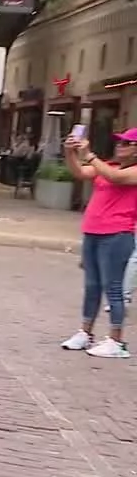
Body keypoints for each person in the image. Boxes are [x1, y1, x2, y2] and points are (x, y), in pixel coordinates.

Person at [61, 128, 137, 359]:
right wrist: (70, 153)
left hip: (117, 234)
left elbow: (117, 179)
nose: (120, 145)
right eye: (119, 141)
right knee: (92, 286)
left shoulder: (131, 171)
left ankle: (116, 340)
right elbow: (80, 172)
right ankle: (85, 333)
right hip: (92, 232)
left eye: (126, 143)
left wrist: (90, 154)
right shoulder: (108, 166)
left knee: (113, 288)